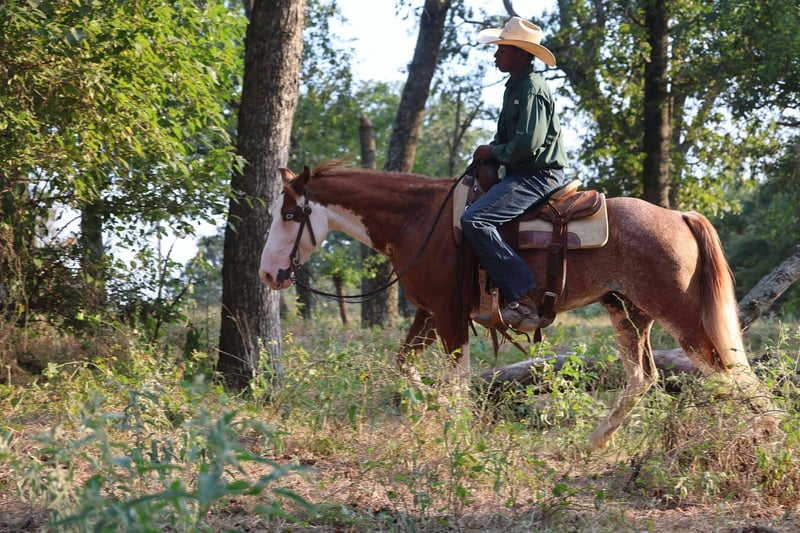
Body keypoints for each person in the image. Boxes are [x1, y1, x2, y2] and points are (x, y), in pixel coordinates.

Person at [461, 17, 569, 332]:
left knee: (475, 220)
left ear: (521, 54)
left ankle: (523, 299)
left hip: (538, 175)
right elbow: (506, 139)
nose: (496, 56)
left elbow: (527, 144)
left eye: (503, 51)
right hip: (522, 173)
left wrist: (492, 152)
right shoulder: (515, 86)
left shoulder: (532, 88)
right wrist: (489, 153)